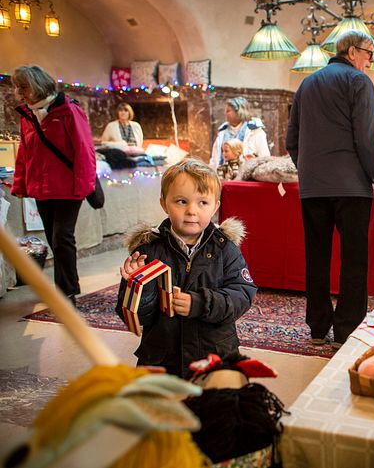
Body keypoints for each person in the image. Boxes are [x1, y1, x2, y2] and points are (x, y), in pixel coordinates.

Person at [286, 29, 374, 348]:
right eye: (368, 53)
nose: (370, 60)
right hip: (351, 189)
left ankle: (318, 328)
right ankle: (346, 330)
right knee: (354, 259)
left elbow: (291, 141)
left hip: (313, 188)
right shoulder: (359, 82)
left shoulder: (306, 84)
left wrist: (309, 170)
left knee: (316, 256)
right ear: (351, 52)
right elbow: (367, 140)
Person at [115, 158, 257, 378]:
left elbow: (242, 294)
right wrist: (137, 286)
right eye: (181, 201)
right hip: (162, 362)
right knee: (160, 412)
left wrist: (200, 303)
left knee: (214, 408)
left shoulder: (225, 249)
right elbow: (134, 316)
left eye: (202, 202)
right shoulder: (148, 251)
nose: (191, 211)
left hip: (215, 358)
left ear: (216, 206)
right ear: (164, 203)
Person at [11, 65, 97, 304]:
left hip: (69, 187)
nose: (20, 92)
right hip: (42, 188)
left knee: (62, 238)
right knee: (53, 238)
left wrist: (84, 185)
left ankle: (67, 291)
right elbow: (24, 152)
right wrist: (20, 184)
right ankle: (64, 287)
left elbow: (84, 150)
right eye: (18, 87)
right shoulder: (28, 114)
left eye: (24, 87)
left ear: (38, 85)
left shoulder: (68, 110)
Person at [209, 97, 269, 169]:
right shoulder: (222, 133)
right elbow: (214, 160)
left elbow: (265, 158)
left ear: (238, 112)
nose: (225, 114)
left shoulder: (255, 131)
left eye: (228, 111)